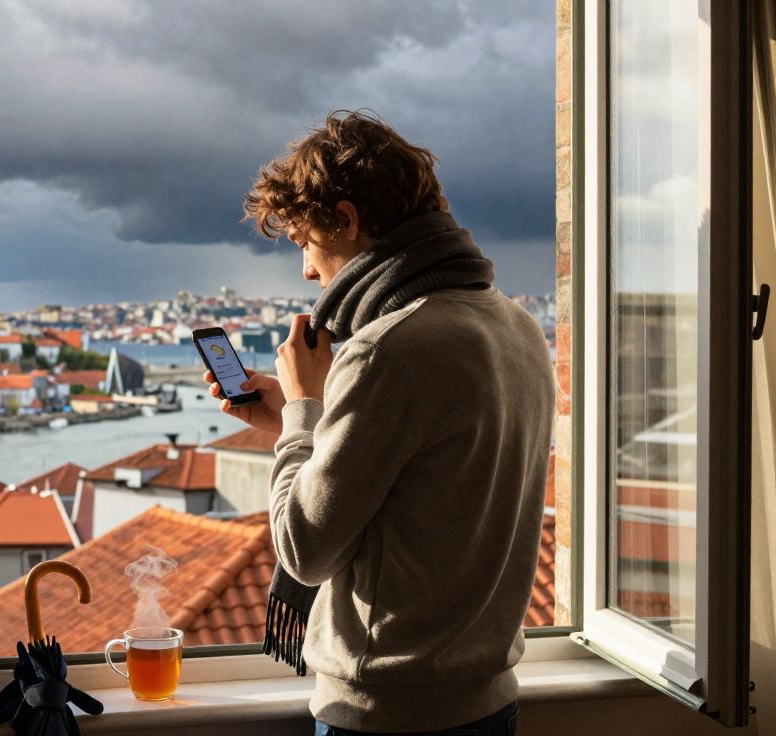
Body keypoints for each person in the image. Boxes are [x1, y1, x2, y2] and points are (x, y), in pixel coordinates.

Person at [204, 110, 553, 736]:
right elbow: (424, 482)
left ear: (347, 219)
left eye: (306, 243)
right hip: (488, 701)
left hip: (389, 714)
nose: (307, 271)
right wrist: (296, 416)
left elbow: (304, 550)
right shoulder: (514, 326)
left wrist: (306, 410)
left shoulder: (385, 352)